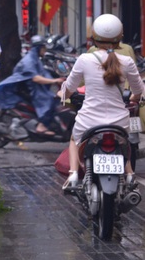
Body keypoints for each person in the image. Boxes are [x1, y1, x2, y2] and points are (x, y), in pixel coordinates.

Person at [59, 14, 144, 189]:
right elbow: (139, 91)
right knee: (124, 142)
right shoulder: (127, 61)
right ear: (120, 37)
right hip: (119, 121)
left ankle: (74, 174)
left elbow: (70, 86)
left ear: (93, 38)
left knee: (74, 139)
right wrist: (135, 97)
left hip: (88, 121)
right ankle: (129, 174)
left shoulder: (84, 59)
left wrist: (63, 93)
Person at [0, 34, 63, 136]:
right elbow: (35, 78)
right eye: (43, 48)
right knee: (50, 99)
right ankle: (41, 125)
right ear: (38, 48)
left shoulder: (35, 58)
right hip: (30, 90)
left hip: (35, 87)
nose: (45, 50)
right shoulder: (29, 60)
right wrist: (54, 81)